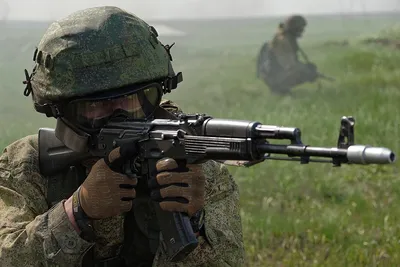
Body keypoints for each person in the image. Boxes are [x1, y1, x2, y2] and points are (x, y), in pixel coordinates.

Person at [0, 6, 245, 267]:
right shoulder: (26, 167)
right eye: (94, 106)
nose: (119, 117)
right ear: (60, 111)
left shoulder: (195, 173)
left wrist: (194, 223)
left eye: (131, 100)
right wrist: (76, 211)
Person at [257, 15, 319, 94]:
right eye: (300, 28)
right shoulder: (283, 41)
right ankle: (279, 90)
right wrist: (308, 71)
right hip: (273, 76)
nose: (302, 31)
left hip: (272, 74)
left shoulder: (284, 38)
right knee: (304, 72)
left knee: (305, 71)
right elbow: (289, 65)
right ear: (295, 28)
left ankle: (281, 89)